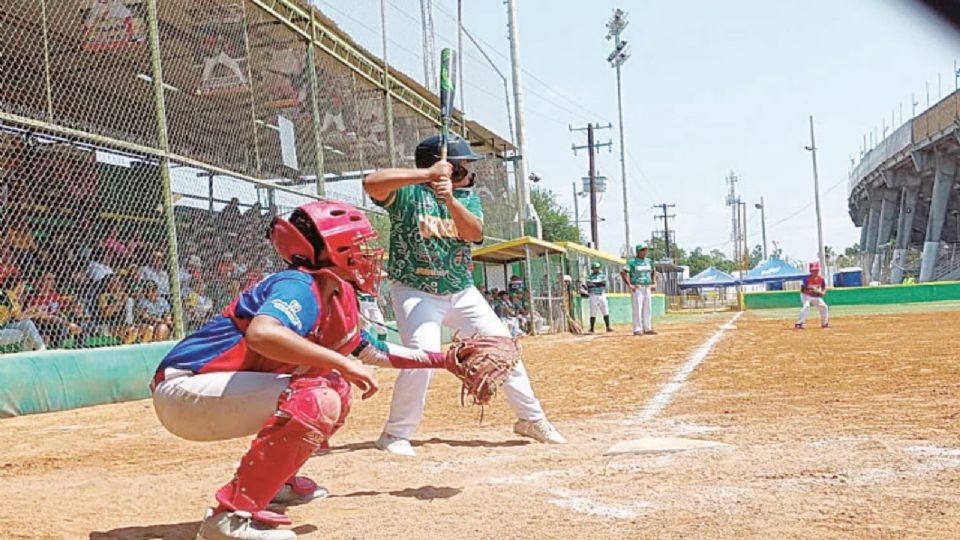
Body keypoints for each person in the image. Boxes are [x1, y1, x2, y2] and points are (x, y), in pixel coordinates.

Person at [151, 201, 460, 540]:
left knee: (334, 388)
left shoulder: (337, 294)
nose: (368, 254)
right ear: (331, 249)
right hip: (186, 389)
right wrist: (340, 361)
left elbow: (373, 351)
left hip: (220, 391)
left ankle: (275, 483)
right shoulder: (297, 283)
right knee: (318, 396)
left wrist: (445, 361)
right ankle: (231, 517)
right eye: (358, 245)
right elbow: (263, 333)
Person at [363, 134, 566, 456]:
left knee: (503, 350)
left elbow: (474, 233)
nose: (471, 170)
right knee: (422, 356)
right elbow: (372, 183)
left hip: (461, 291)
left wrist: (450, 200)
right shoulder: (407, 194)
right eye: (465, 164)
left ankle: (531, 419)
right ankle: (395, 433)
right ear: (446, 167)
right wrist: (427, 176)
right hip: (416, 290)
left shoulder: (466, 197)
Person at [621, 243, 657, 336]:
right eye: (642, 250)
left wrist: (654, 282)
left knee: (647, 308)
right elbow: (623, 273)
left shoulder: (649, 261)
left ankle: (647, 328)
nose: (644, 252)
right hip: (637, 287)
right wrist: (630, 285)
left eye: (645, 250)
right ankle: (637, 329)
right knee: (637, 308)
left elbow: (654, 271)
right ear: (637, 251)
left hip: (647, 286)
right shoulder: (632, 262)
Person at [0, 280, 46, 351]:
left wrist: (31, 310)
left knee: (27, 329)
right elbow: (19, 317)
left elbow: (18, 315)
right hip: (2, 330)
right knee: (27, 328)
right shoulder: (9, 294)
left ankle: (31, 353)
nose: (22, 290)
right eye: (22, 287)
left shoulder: (10, 296)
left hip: (3, 327)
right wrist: (37, 314)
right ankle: (41, 349)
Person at [97, 274, 138, 344]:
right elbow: (106, 313)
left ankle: (126, 345)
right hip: (109, 325)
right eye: (114, 282)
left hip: (127, 324)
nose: (118, 283)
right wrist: (120, 301)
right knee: (131, 331)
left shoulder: (125, 295)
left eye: (118, 281)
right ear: (107, 285)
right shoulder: (104, 296)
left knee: (147, 329)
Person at [795, 261, 829, 329]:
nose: (815, 271)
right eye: (813, 270)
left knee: (824, 307)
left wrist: (822, 293)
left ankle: (824, 323)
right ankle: (799, 323)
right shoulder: (806, 279)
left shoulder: (821, 279)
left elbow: (824, 287)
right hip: (806, 295)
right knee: (806, 306)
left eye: (816, 270)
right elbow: (803, 290)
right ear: (810, 271)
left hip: (815, 295)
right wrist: (811, 292)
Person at [586, 262, 613, 333]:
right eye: (595, 268)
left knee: (605, 310)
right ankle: (592, 328)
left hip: (601, 294)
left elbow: (603, 284)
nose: (597, 269)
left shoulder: (602, 276)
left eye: (598, 268)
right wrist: (598, 284)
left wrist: (594, 284)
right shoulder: (589, 276)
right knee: (593, 312)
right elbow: (589, 285)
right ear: (592, 269)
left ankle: (608, 327)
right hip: (593, 295)